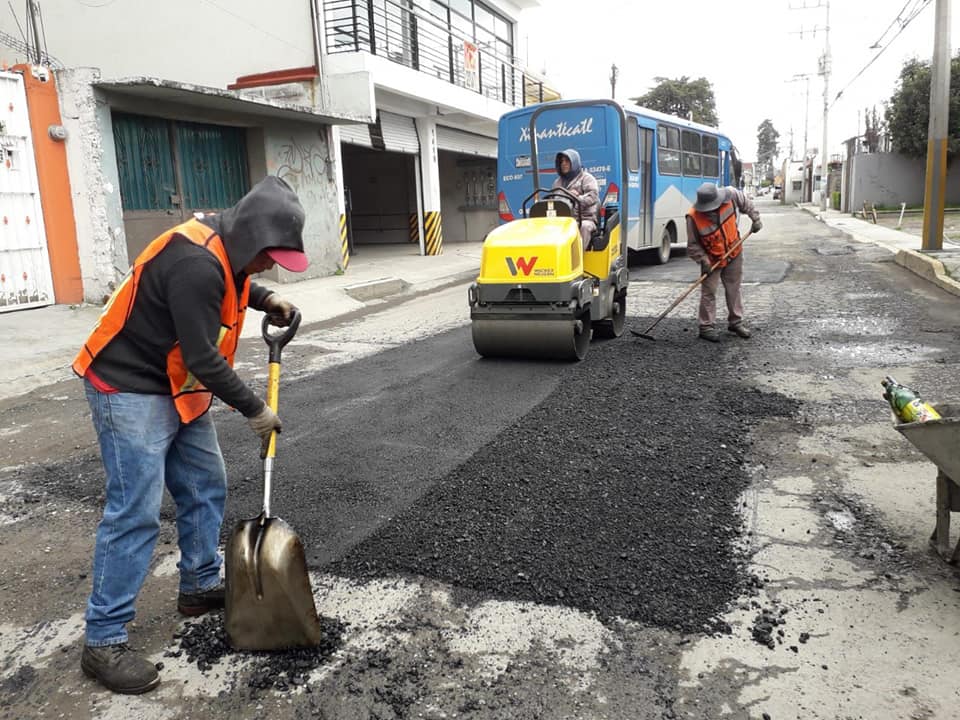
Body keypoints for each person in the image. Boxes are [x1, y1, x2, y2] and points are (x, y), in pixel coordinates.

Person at [71, 175, 309, 694]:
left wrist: (264, 298)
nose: (269, 265)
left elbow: (230, 283)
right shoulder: (194, 262)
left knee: (205, 484)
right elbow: (203, 354)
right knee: (134, 509)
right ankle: (103, 640)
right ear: (250, 238)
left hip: (177, 384)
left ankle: (199, 585)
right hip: (128, 385)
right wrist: (256, 410)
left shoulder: (225, 248)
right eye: (268, 257)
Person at [685, 182, 762, 342]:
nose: (711, 211)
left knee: (734, 288)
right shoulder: (693, 217)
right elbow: (692, 245)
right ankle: (706, 327)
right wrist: (703, 260)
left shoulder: (731, 195)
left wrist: (755, 218)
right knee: (709, 292)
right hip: (712, 259)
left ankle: (736, 322)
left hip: (734, 251)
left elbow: (746, 203)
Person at [552, 148, 599, 250]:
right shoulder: (557, 183)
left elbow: (593, 195)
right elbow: (553, 199)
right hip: (562, 220)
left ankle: (577, 261)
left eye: (567, 161)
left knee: (584, 227)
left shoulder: (587, 178)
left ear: (575, 162)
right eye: (562, 161)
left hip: (584, 218)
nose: (563, 164)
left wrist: (575, 199)